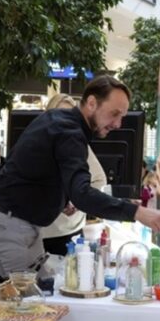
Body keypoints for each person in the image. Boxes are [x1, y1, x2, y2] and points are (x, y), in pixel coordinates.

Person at [0, 75, 160, 278]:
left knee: (20, 296)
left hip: (13, 222)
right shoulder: (69, 132)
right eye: (114, 114)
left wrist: (61, 199)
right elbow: (82, 194)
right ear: (91, 103)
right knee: (30, 302)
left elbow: (33, 171)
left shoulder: (59, 122)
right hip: (11, 225)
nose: (118, 124)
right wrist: (137, 212)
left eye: (122, 116)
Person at [40, 94, 109, 256]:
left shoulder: (78, 143)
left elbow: (100, 179)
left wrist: (78, 200)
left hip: (72, 229)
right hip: (45, 230)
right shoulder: (40, 144)